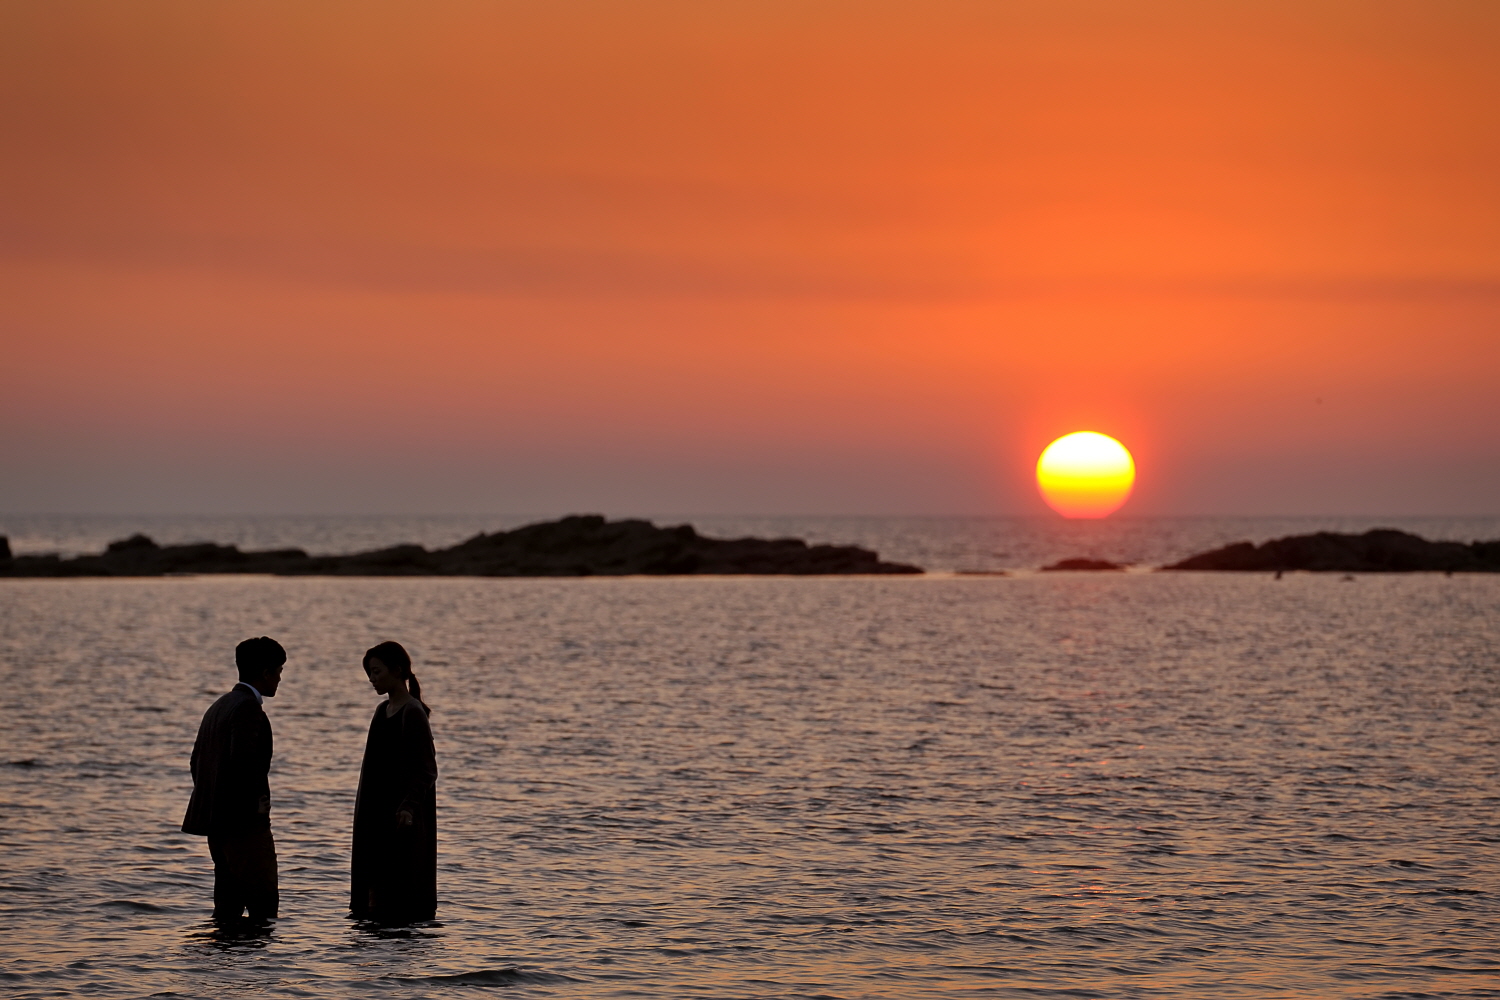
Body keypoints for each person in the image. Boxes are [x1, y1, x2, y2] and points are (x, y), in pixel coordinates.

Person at [181, 636, 285, 921]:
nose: (280, 679)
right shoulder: (248, 708)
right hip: (244, 827)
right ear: (266, 673)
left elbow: (196, 762)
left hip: (218, 825)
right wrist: (254, 806)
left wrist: (216, 802)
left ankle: (225, 951)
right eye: (279, 671)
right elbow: (243, 763)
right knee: (263, 909)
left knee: (227, 909)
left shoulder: (219, 705)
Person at [351, 640, 438, 923]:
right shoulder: (382, 711)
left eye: (377, 672)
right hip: (377, 819)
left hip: (401, 821)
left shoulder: (412, 712)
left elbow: (426, 769)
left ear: (397, 670)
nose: (372, 679)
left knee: (401, 894)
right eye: (369, 674)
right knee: (374, 895)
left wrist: (408, 807)